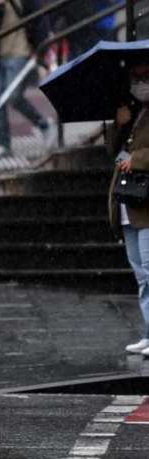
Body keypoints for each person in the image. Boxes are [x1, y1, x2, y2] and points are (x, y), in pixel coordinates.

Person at [108, 60, 149, 356]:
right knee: (141, 274)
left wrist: (139, 159)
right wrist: (119, 125)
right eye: (136, 78)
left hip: (145, 205)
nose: (140, 84)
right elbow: (112, 151)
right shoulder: (134, 112)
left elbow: (137, 155)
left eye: (145, 77)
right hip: (127, 203)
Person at [0, 0, 56, 158]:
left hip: (20, 54)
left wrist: (39, 49)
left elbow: (40, 24)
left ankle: (44, 124)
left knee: (14, 97)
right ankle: (4, 144)